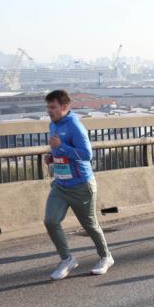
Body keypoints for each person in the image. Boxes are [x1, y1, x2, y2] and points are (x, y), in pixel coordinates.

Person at [43, 90, 114, 280]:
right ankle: (67, 259)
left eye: (53, 107)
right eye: (48, 107)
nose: (49, 111)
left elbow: (86, 154)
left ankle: (106, 257)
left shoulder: (74, 125)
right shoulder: (53, 125)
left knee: (89, 225)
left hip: (81, 185)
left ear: (65, 107)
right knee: (50, 221)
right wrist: (52, 156)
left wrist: (62, 147)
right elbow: (60, 151)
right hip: (60, 185)